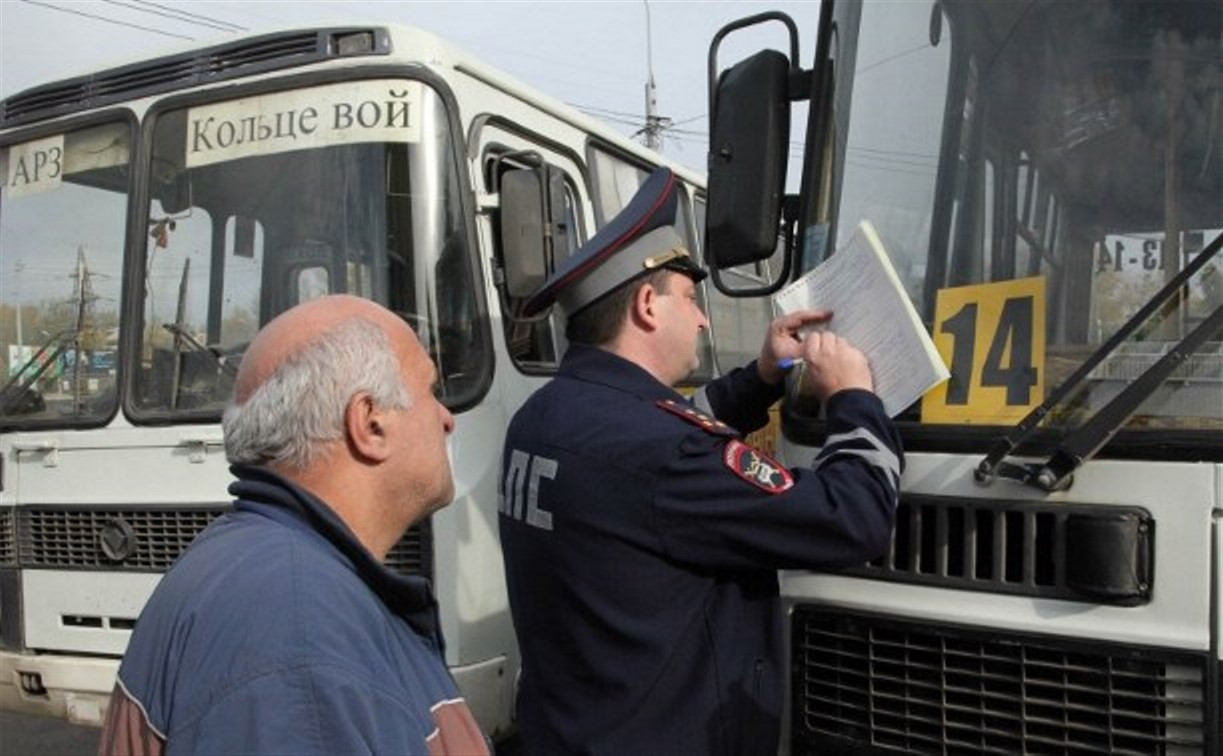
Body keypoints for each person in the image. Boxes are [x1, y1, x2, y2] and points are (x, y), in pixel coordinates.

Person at [499, 168, 902, 756]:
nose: (703, 318)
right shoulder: (662, 453)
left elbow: (663, 438)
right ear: (646, 305)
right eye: (689, 298)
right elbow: (854, 516)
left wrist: (762, 376)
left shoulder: (541, 417)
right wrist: (853, 395)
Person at [97, 295, 489, 755]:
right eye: (429, 391)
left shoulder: (256, 566)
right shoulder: (301, 644)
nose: (447, 419)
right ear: (370, 423)